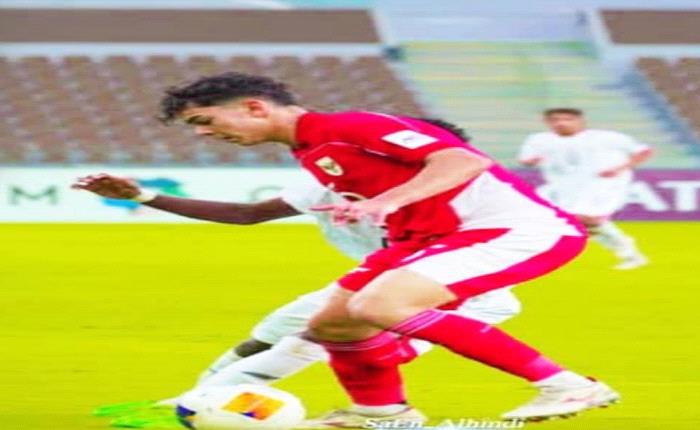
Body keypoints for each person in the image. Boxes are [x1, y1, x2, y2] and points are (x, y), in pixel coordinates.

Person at [123, 72, 619, 426]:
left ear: (255, 107)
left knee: (378, 306)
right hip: (428, 241)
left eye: (204, 120)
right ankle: (382, 413)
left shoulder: (350, 125)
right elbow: (249, 215)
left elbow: (463, 160)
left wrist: (386, 201)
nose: (204, 134)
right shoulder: (311, 150)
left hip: (514, 230)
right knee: (334, 324)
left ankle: (567, 385)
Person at [73, 171, 523, 428]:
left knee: (315, 342)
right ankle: (195, 402)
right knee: (267, 336)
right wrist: (144, 196)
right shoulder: (327, 180)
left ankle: (184, 409)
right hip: (373, 280)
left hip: (457, 294)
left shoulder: (453, 199)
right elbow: (247, 214)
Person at [519, 108, 654, 270]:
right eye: (555, 120)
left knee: (588, 219)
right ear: (547, 122)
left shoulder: (607, 137)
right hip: (562, 187)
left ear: (581, 121)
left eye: (567, 119)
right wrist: (531, 161)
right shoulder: (538, 140)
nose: (561, 123)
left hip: (604, 184)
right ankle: (629, 252)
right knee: (582, 222)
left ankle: (624, 249)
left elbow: (643, 151)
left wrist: (621, 168)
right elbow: (525, 159)